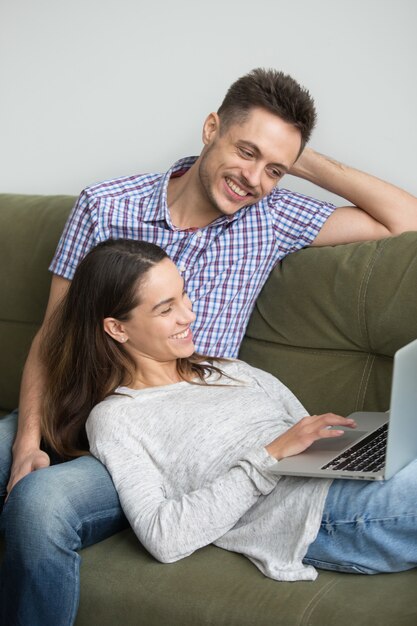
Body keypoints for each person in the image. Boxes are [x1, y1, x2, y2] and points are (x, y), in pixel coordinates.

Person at [0, 67, 416, 625]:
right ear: (210, 127)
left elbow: (406, 220)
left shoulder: (270, 215)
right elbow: (53, 339)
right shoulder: (105, 204)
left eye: (274, 169)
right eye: (245, 150)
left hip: (170, 439)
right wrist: (28, 442)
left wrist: (297, 158)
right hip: (86, 406)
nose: (253, 178)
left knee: (40, 505)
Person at [42, 239, 417, 586]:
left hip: (344, 480)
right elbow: (164, 537)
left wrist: (357, 439)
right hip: (315, 514)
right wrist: (269, 456)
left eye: (183, 295)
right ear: (117, 328)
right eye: (166, 308)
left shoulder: (231, 370)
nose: (188, 315)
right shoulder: (118, 417)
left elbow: (302, 435)